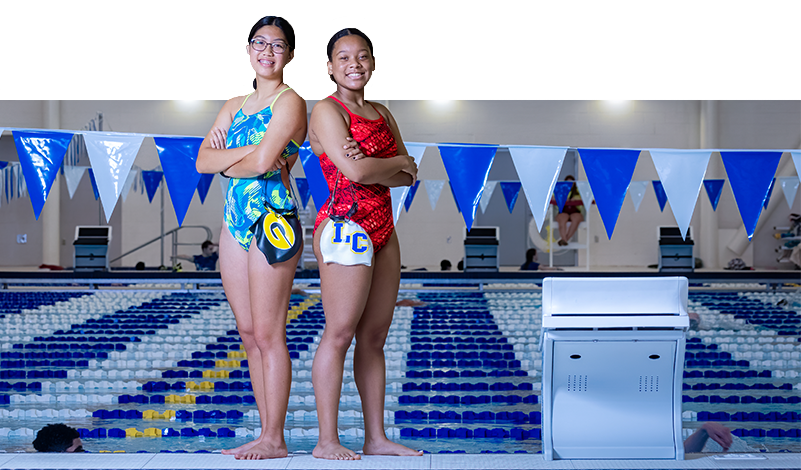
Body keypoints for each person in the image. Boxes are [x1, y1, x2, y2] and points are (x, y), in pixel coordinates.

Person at [194, 15, 331, 460]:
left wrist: (229, 159)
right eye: (259, 42)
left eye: (277, 45)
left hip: (274, 218)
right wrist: (247, 158)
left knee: (270, 332)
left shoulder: (292, 101)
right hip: (234, 220)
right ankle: (264, 431)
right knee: (248, 331)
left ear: (290, 54)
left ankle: (275, 437)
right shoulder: (235, 103)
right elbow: (201, 162)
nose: (267, 51)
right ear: (248, 49)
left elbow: (264, 162)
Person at [308, 27, 422, 460]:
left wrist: (385, 165)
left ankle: (376, 438)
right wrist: (395, 162)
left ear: (373, 63)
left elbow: (409, 177)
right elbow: (356, 175)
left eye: (362, 56)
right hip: (345, 226)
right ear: (329, 66)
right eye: (343, 57)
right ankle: (326, 440)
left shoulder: (382, 112)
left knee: (374, 338)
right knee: (338, 334)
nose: (354, 64)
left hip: (384, 229)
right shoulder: (326, 110)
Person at [556, 175, 584, 246]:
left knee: (575, 219)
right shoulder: (560, 191)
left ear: (574, 183)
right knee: (562, 219)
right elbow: (553, 198)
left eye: (571, 182)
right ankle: (564, 239)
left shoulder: (579, 191)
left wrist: (575, 199)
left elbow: (584, 199)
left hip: (575, 211)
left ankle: (565, 239)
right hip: (564, 211)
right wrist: (563, 200)